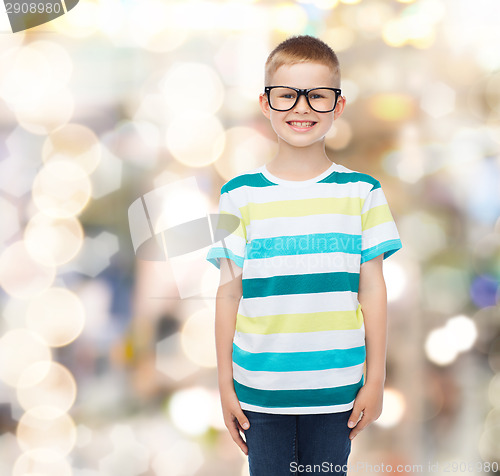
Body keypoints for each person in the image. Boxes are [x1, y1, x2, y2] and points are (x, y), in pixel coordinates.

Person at [206, 35, 402, 476]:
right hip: (260, 391)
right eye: (287, 95)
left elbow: (373, 289)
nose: (302, 108)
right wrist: (224, 384)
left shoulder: (362, 193)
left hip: (338, 391)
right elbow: (227, 293)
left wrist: (376, 379)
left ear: (338, 105)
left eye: (317, 96)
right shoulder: (237, 196)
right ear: (265, 102)